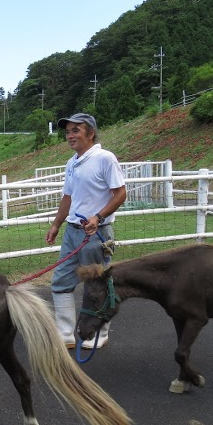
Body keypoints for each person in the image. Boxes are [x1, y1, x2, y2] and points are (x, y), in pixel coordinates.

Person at [45, 113, 127, 349]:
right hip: (72, 232)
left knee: (97, 284)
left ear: (90, 133)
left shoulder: (105, 158)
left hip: (96, 233)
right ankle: (65, 335)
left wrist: (98, 216)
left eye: (75, 131)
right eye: (68, 132)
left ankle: (100, 334)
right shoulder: (72, 162)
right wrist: (56, 224)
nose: (70, 136)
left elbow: (120, 193)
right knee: (60, 280)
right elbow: (68, 197)